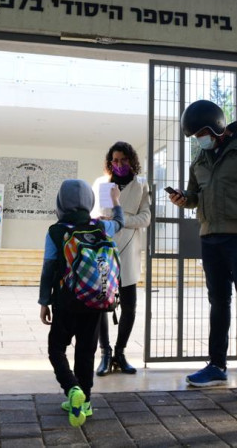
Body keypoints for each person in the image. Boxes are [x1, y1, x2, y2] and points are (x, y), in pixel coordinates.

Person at [168, 100, 237, 400]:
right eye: (194, 136)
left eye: (201, 133)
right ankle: (217, 366)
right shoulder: (201, 159)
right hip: (210, 239)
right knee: (218, 303)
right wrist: (184, 200)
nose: (198, 139)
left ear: (216, 127)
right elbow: (195, 196)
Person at [38, 179, 124, 428]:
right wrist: (116, 202)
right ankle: (85, 401)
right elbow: (121, 223)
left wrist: (45, 301)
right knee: (86, 351)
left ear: (60, 202)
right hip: (96, 301)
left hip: (66, 302)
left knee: (57, 349)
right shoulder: (101, 227)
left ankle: (72, 388)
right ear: (89, 202)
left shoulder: (56, 231)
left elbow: (48, 269)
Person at [91, 141, 150, 376]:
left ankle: (120, 352)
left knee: (129, 306)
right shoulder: (102, 184)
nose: (119, 164)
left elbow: (145, 218)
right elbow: (97, 215)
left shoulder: (141, 185)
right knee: (101, 304)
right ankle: (104, 353)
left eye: (123, 160)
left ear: (131, 160)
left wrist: (120, 219)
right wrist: (122, 218)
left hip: (129, 251)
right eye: (115, 160)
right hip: (104, 251)